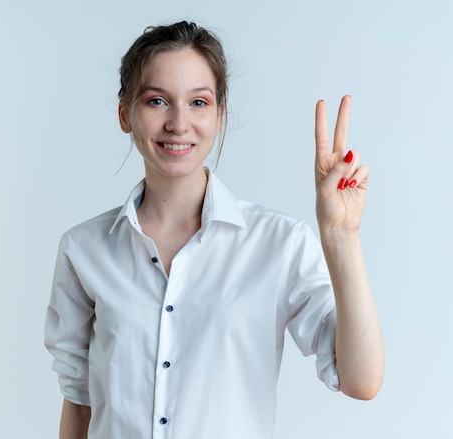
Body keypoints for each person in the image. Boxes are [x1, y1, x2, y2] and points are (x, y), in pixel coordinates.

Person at [44, 21, 384, 439]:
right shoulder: (84, 249)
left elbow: (361, 381)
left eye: (199, 103)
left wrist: (341, 237)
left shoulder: (278, 244)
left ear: (220, 115)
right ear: (124, 115)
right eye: (157, 101)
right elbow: (79, 407)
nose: (179, 123)